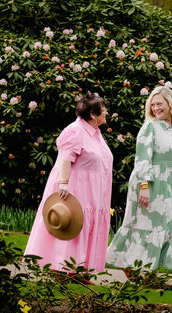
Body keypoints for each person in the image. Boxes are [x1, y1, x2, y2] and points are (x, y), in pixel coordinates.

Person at [106, 85, 172, 274]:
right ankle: (134, 268)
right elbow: (143, 158)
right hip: (152, 184)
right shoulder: (150, 126)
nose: (156, 109)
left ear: (170, 103)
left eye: (159, 104)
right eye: (153, 105)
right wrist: (144, 186)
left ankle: (152, 272)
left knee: (170, 226)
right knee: (149, 226)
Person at [23, 92, 113, 275]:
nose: (106, 113)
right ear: (93, 115)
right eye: (103, 110)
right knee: (73, 224)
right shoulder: (75, 130)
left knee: (86, 226)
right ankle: (63, 269)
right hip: (76, 187)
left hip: (95, 191)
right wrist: (63, 184)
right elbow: (65, 159)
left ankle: (79, 270)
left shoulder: (95, 132)